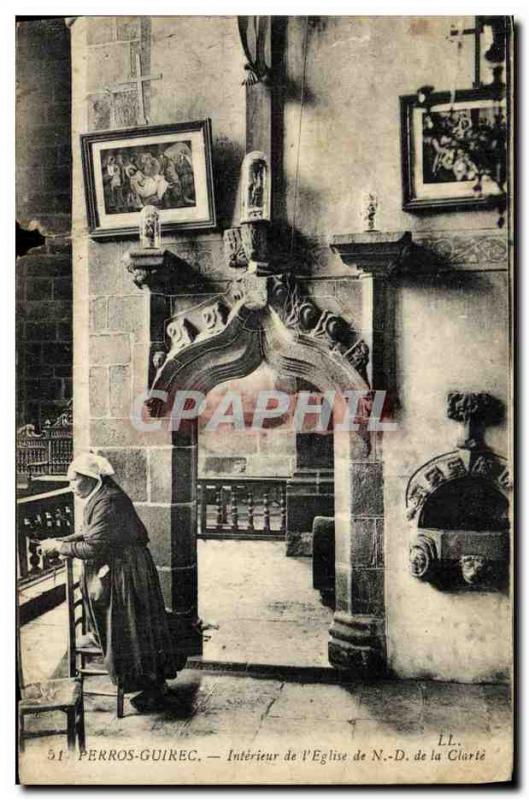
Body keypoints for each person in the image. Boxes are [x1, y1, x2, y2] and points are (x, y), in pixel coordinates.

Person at [40, 453, 178, 712]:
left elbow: (93, 546)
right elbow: (92, 532)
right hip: (124, 566)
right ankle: (149, 685)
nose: (71, 486)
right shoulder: (101, 496)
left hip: (129, 571)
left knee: (133, 628)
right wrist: (64, 540)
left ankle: (151, 688)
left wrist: (60, 546)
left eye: (74, 481)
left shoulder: (109, 501)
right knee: (134, 628)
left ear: (91, 479)